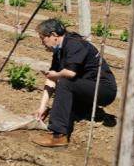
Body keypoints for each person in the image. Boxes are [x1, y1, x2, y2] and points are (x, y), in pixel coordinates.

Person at [31, 19, 117, 148]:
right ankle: (83, 110)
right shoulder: (59, 51)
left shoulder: (74, 44)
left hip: (104, 90)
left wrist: (56, 75)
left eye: (43, 38)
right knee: (64, 89)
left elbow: (69, 74)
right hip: (87, 88)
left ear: (53, 35)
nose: (42, 43)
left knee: (65, 83)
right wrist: (42, 107)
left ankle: (58, 135)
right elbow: (51, 79)